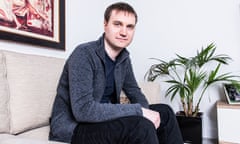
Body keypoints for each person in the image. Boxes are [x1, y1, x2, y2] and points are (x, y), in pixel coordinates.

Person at [49, 2, 183, 144]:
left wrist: (145, 111)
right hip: (75, 127)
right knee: (140, 126)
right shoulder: (84, 54)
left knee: (165, 112)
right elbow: (83, 111)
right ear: (105, 24)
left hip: (103, 120)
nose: (124, 32)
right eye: (117, 24)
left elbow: (135, 93)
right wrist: (139, 112)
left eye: (129, 26)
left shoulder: (123, 58)